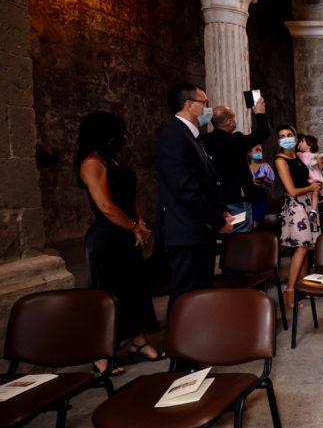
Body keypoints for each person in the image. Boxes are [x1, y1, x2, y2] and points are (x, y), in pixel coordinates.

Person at [77, 112, 163, 374]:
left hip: (126, 234)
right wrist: (133, 226)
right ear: (106, 135)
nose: (125, 137)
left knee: (134, 290)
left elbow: (128, 196)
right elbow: (105, 205)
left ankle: (138, 341)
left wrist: (139, 224)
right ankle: (101, 355)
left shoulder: (112, 160)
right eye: (120, 132)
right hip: (106, 239)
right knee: (109, 295)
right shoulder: (91, 163)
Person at [155, 83, 233, 308]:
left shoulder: (191, 135)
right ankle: (179, 342)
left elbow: (205, 182)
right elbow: (186, 190)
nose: (208, 108)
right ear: (189, 105)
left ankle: (197, 339)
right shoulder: (174, 137)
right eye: (204, 103)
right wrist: (217, 221)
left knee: (200, 293)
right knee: (186, 296)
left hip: (198, 231)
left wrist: (220, 210)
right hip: (185, 232)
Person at [201, 100, 270, 232]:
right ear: (228, 121)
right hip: (236, 200)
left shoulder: (204, 140)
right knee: (240, 238)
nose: (235, 121)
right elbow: (263, 131)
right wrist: (259, 113)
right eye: (233, 118)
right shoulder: (236, 140)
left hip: (215, 200)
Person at [274, 124, 322, 309]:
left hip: (309, 202)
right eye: (281, 136)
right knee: (301, 247)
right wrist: (311, 188)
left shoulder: (299, 157)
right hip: (295, 205)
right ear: (279, 141)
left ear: (295, 138)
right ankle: (290, 289)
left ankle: (305, 287)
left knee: (307, 246)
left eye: (289, 135)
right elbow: (292, 190)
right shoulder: (280, 160)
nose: (285, 138)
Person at [248, 144, 275, 222]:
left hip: (261, 198)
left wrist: (264, 181)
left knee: (261, 221)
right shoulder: (245, 167)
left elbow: (271, 183)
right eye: (257, 150)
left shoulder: (265, 166)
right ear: (249, 153)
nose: (259, 152)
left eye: (260, 150)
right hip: (248, 200)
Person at [297, 133, 323, 206]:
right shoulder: (299, 154)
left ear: (310, 144)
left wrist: (320, 160)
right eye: (300, 142)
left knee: (315, 192)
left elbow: (321, 168)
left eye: (302, 141)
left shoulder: (316, 155)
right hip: (305, 180)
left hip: (314, 179)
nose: (300, 143)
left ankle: (313, 210)